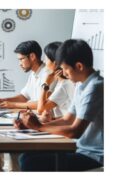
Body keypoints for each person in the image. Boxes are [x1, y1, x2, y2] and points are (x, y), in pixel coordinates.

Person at [18, 39, 103, 171]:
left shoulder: (95, 88)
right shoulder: (81, 86)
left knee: (31, 163)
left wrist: (39, 126)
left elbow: (75, 131)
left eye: (65, 69)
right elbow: (66, 119)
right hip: (81, 149)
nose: (63, 73)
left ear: (79, 66)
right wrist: (33, 126)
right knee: (26, 157)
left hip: (95, 155)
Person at [0, 40, 55, 171]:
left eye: (21, 59)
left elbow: (42, 105)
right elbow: (24, 96)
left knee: (8, 140)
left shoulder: (48, 74)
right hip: (30, 118)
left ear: (32, 56)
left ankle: (13, 172)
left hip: (39, 120)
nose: (19, 64)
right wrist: (3, 100)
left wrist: (12, 104)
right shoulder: (34, 74)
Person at [37, 42, 75, 120]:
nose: (44, 61)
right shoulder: (61, 81)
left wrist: (46, 84)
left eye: (46, 59)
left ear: (55, 63)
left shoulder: (65, 84)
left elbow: (40, 109)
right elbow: (47, 106)